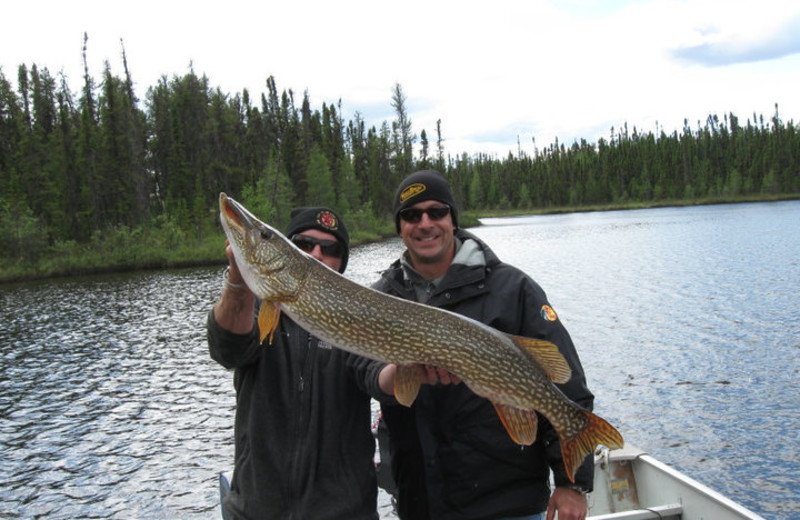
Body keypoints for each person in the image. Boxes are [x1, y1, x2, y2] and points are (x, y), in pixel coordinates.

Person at [373, 170, 596, 520]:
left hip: (507, 503)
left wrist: (572, 483)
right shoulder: (382, 296)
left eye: (437, 211)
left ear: (452, 219)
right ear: (400, 227)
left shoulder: (512, 289)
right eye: (412, 215)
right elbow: (360, 368)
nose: (425, 223)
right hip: (423, 502)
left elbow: (568, 388)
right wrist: (394, 372)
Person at [207, 206, 385, 520]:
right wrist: (238, 279)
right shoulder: (256, 308)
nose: (316, 254)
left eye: (330, 249)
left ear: (341, 262)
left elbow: (379, 377)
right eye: (303, 245)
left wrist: (416, 367)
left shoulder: (359, 318)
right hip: (257, 511)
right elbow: (227, 351)